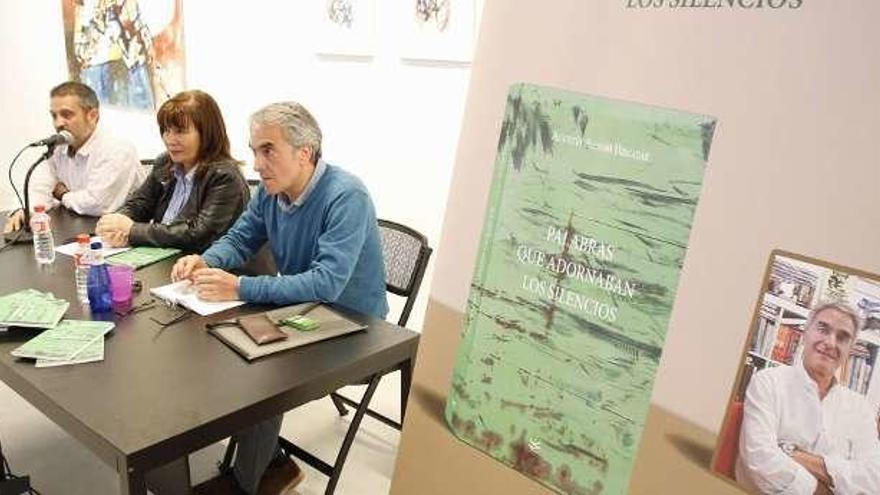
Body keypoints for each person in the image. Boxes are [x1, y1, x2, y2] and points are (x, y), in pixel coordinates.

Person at [173, 101, 388, 494]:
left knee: (260, 371)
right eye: (254, 150)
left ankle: (245, 483)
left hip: (356, 327)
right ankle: (270, 463)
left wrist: (239, 286)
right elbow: (240, 239)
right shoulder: (270, 192)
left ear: (304, 152)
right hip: (303, 312)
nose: (256, 164)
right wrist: (203, 261)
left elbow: (326, 285)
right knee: (220, 347)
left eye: (267, 150)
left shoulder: (346, 196)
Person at [736, 301, 880, 494]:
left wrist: (792, 454)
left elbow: (874, 479)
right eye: (823, 328)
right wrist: (822, 489)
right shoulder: (767, 383)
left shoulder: (861, 409)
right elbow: (760, 460)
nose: (830, 342)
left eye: (843, 337)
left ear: (850, 349)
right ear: (805, 333)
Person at [95, 90, 249, 253]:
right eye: (166, 130)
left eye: (180, 132)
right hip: (165, 257)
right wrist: (116, 223)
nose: (170, 140)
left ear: (206, 133)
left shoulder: (224, 176)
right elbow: (139, 204)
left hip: (208, 267)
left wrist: (133, 230)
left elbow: (199, 234)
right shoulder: (165, 163)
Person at [3, 81, 145, 233]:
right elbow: (39, 188)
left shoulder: (117, 149)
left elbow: (98, 204)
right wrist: (24, 210)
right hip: (78, 229)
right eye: (54, 116)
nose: (58, 123)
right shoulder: (57, 148)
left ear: (92, 115)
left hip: (123, 235)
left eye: (66, 115)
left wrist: (63, 194)